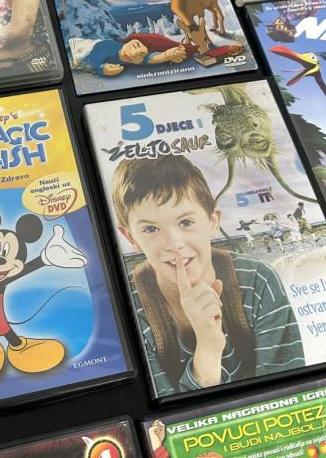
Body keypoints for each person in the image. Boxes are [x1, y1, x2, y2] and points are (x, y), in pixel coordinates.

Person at [110, 154, 304, 394]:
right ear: (131, 238)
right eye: (150, 229)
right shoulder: (123, 311)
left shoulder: (257, 280)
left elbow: (288, 391)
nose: (173, 243)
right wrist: (208, 349)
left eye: (185, 222)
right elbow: (163, 416)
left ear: (212, 222)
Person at [70, 34, 191, 77]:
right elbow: (88, 62)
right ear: (128, 42)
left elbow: (152, 58)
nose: (134, 54)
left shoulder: (137, 58)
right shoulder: (108, 47)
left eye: (142, 54)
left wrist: (167, 55)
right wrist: (102, 69)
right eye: (135, 45)